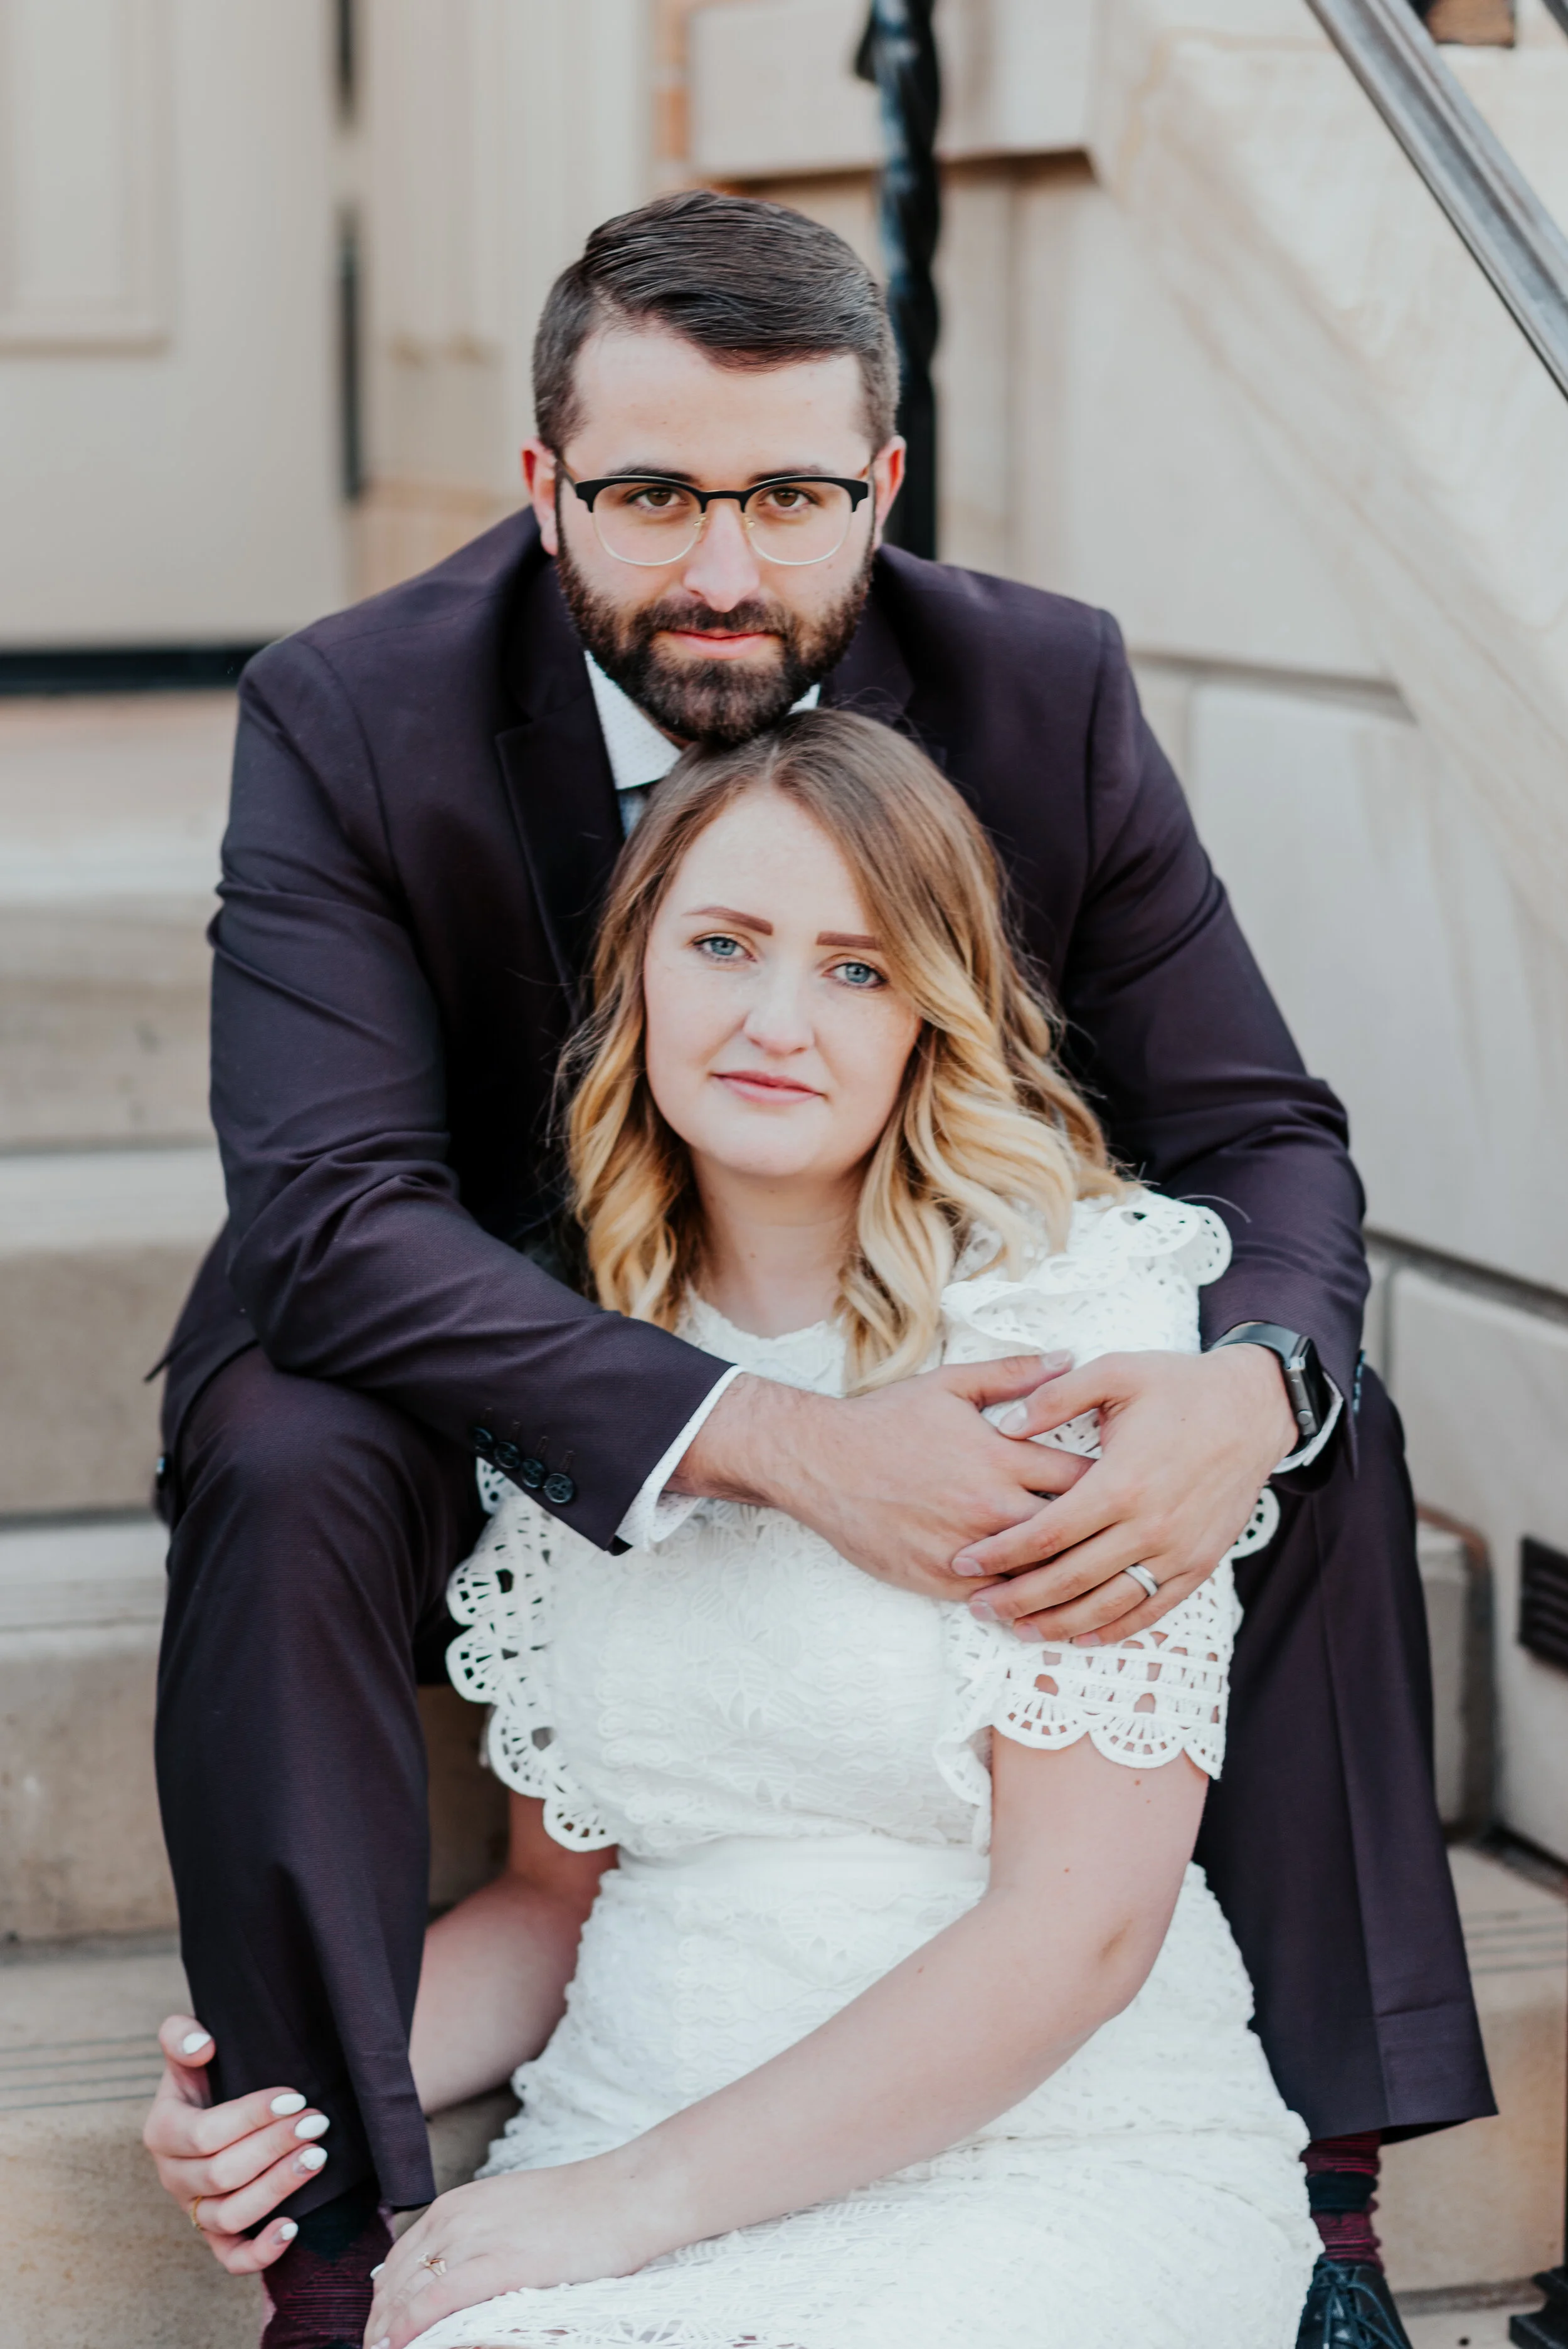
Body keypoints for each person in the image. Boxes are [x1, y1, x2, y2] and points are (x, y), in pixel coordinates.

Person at [144, 191, 1488, 2349]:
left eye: (786, 497)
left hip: (889, 1284)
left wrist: (1247, 1395)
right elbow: (325, 1220)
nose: (720, 570)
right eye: (651, 494)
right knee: (282, 1452)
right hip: (461, 1333)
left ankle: (1326, 2190)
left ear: (878, 482)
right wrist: (764, 1438)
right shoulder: (351, 707)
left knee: (1291, 1408)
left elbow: (1254, 1130)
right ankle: (320, 2208)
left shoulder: (1035, 684)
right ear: (541, 482)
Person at [220, 711, 1332, 2349]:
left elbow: (1080, 1924)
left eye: (856, 969)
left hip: (1047, 2164)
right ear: (640, 969)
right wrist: (297, 2081)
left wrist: (627, 2203)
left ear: (929, 1017)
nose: (772, 1020)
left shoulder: (1068, 1325)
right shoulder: (584, 1367)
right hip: (626, 2135)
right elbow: (553, 1899)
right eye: (723, 945)